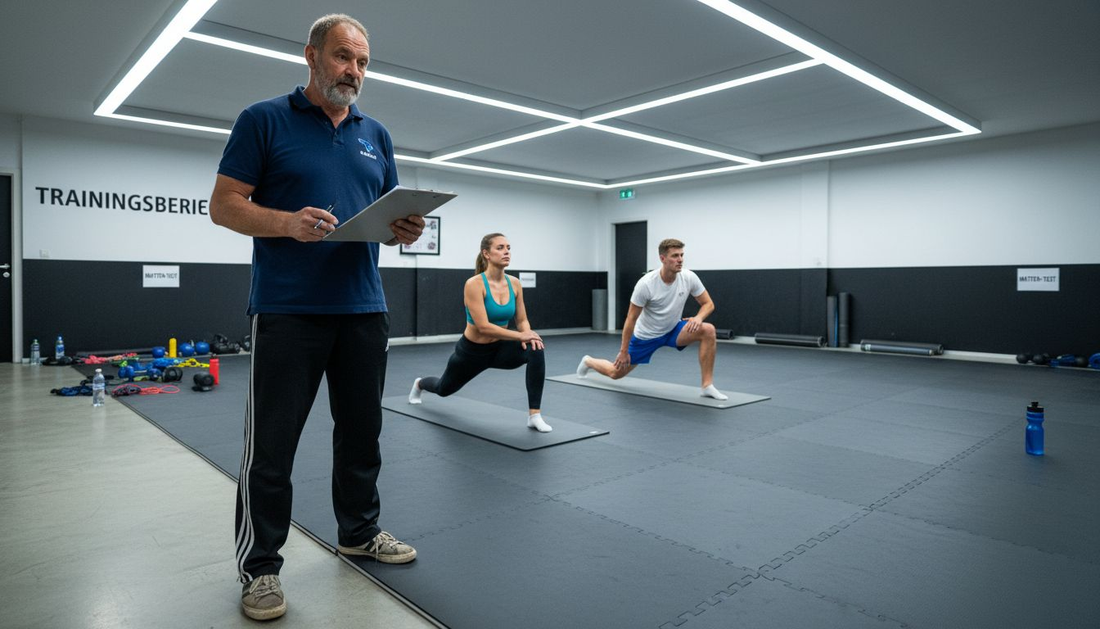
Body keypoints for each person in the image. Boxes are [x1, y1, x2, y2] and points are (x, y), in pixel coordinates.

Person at [208, 14, 425, 621]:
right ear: (310, 55)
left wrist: (404, 230)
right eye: (342, 58)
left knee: (361, 436)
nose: (353, 72)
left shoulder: (374, 134)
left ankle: (358, 530)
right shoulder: (264, 120)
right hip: (288, 312)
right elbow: (223, 206)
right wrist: (286, 223)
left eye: (362, 63)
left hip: (363, 308)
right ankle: (260, 569)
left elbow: (385, 213)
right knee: (271, 449)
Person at [408, 233, 551, 432]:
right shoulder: (474, 284)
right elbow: (483, 326)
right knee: (443, 389)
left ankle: (534, 415)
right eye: (500, 248)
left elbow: (522, 320)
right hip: (472, 353)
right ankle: (420, 384)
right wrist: (520, 336)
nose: (506, 252)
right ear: (486, 253)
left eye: (508, 247)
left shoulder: (515, 283)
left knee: (536, 349)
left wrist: (529, 334)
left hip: (500, 350)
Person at [577, 238, 729, 401]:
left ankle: (707, 386)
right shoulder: (646, 284)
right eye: (675, 256)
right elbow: (631, 319)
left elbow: (708, 303)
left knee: (708, 330)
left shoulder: (689, 277)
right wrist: (623, 352)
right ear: (662, 258)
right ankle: (588, 361)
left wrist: (699, 318)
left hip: (673, 330)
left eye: (682, 255)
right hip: (646, 336)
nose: (680, 260)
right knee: (616, 373)